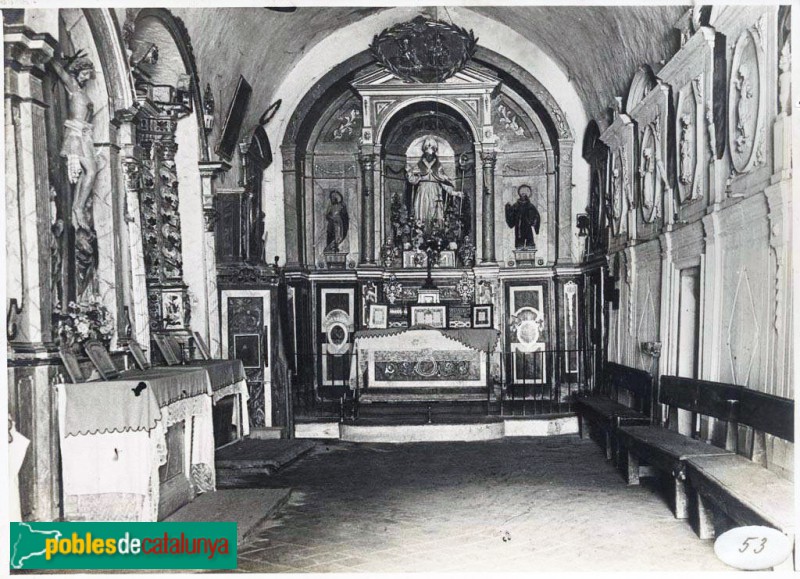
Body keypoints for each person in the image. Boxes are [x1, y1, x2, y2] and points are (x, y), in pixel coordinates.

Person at [48, 50, 98, 232]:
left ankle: (78, 206)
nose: (86, 77)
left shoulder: (82, 92)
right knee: (91, 171)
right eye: (84, 73)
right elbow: (60, 71)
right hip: (76, 135)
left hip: (84, 135)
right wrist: (56, 58)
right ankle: (78, 207)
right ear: (76, 72)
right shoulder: (73, 87)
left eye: (88, 74)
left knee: (88, 172)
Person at [406, 137, 462, 227]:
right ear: (424, 152)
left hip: (435, 191)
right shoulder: (419, 165)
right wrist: (410, 173)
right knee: (422, 211)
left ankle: (437, 232)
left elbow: (443, 181)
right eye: (427, 153)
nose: (429, 155)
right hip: (422, 191)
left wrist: (454, 192)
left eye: (431, 153)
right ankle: (420, 230)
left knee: (435, 212)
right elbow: (412, 180)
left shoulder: (438, 166)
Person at [505, 184, 541, 249]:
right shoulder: (516, 205)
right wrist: (508, 208)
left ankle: (530, 245)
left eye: (525, 194)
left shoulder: (530, 205)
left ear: (527, 195)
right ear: (519, 195)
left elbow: (536, 216)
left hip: (527, 226)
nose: (523, 195)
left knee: (529, 240)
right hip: (519, 226)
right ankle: (520, 245)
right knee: (519, 241)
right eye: (522, 194)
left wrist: (534, 221)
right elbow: (511, 214)